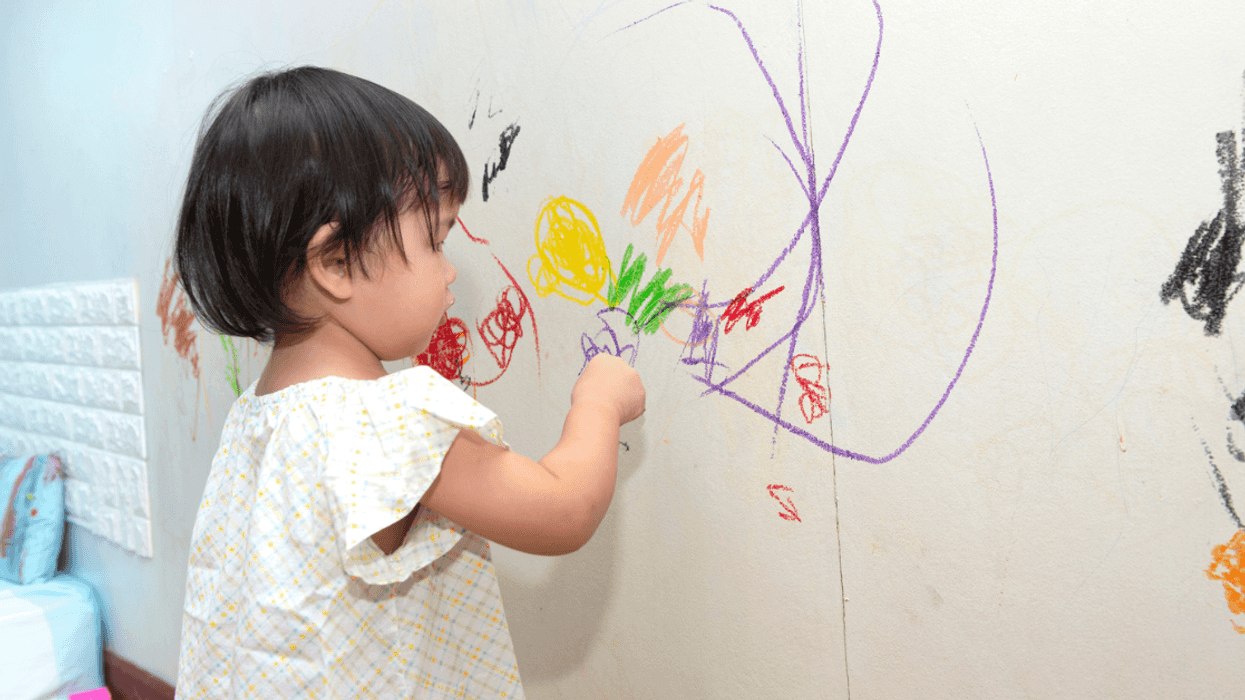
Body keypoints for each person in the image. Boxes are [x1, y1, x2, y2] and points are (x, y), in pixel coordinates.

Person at [172, 66, 644, 699]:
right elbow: (562, 510)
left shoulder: (254, 422)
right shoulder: (383, 423)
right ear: (335, 262)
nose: (451, 272)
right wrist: (600, 399)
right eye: (437, 238)